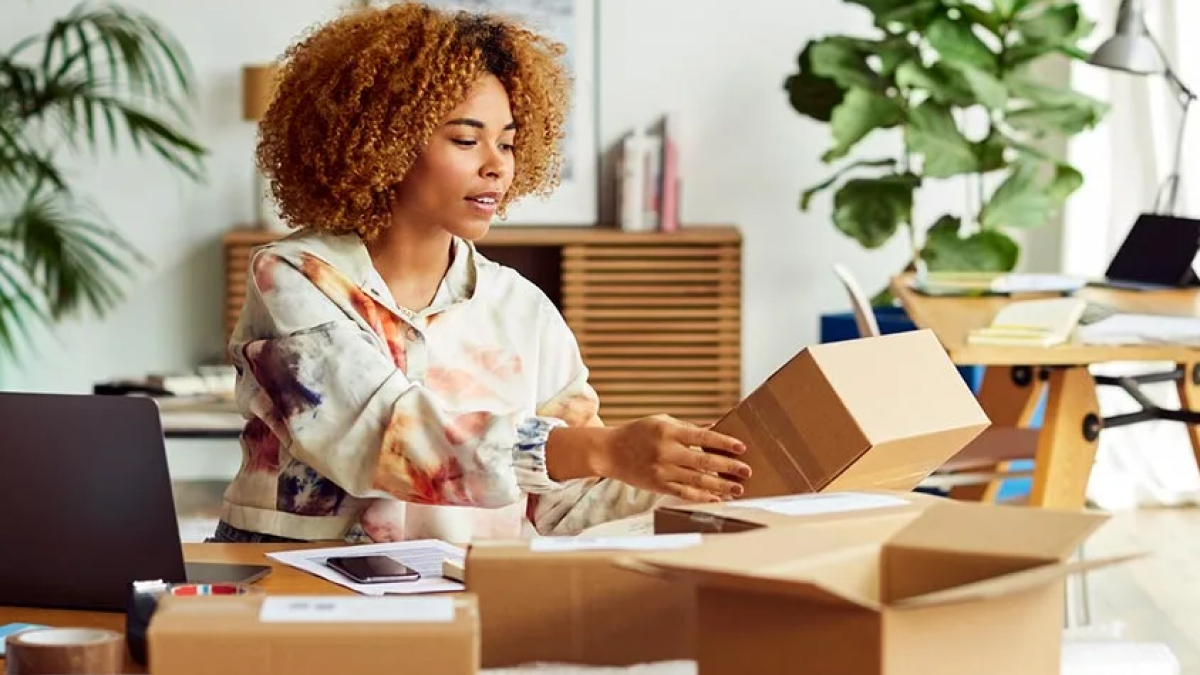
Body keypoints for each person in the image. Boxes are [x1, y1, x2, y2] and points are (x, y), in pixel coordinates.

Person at [213, 1, 751, 545]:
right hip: (296, 593)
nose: (496, 163)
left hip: (462, 595)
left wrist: (694, 473)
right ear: (387, 142)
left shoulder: (523, 310)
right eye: (466, 140)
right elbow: (382, 437)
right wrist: (605, 448)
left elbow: (567, 503)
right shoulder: (296, 276)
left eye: (509, 142)